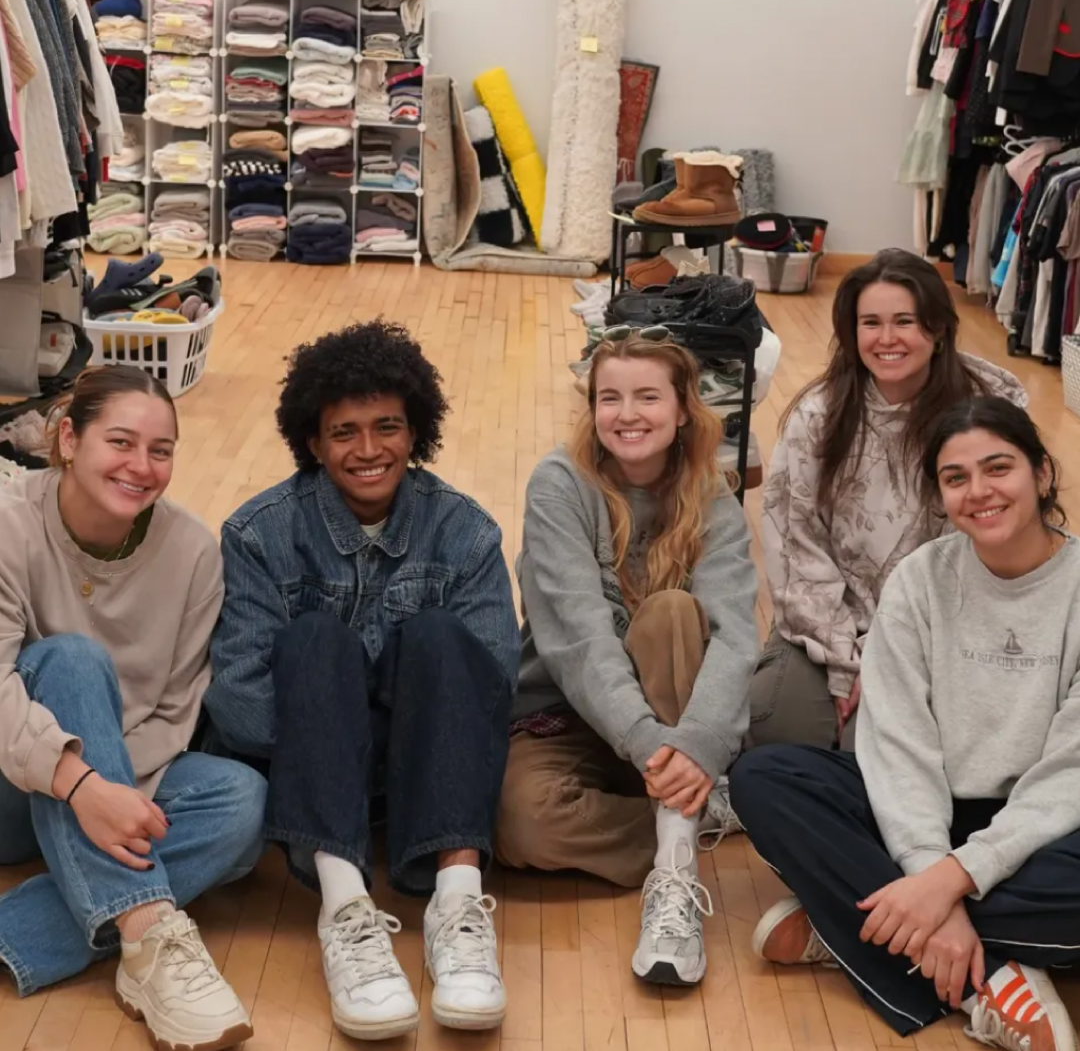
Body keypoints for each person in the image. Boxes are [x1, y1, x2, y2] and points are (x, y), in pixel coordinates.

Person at [203, 321, 519, 1042]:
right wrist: (336, 736)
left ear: (416, 432)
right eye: (344, 432)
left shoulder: (467, 532)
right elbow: (240, 700)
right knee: (316, 639)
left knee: (442, 637)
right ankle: (344, 910)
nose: (368, 449)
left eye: (387, 427)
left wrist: (386, 741)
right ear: (313, 443)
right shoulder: (257, 533)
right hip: (320, 768)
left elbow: (492, 686)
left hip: (421, 760)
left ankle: (458, 903)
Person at [731, 398, 1080, 1051]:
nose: (979, 491)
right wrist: (929, 868)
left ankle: (860, 920)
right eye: (955, 478)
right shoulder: (920, 580)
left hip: (1045, 829)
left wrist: (948, 882)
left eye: (998, 468)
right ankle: (975, 965)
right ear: (941, 494)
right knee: (766, 777)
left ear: (1040, 472)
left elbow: (1071, 776)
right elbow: (896, 743)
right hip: (926, 812)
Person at [0, 366, 264, 1051]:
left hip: (119, 780)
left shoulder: (194, 553)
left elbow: (176, 712)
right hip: (12, 781)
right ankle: (148, 936)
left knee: (241, 802)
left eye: (160, 450)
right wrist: (82, 787)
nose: (141, 466)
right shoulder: (8, 523)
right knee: (72, 661)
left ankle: (26, 922)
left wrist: (110, 796)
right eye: (120, 442)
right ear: (68, 439)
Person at [496, 328, 758, 987]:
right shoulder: (561, 484)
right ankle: (691, 805)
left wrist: (697, 742)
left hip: (673, 714)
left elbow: (735, 636)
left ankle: (674, 869)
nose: (627, 413)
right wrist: (660, 751)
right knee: (520, 826)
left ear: (683, 408)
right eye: (609, 397)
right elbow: (578, 639)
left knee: (671, 612)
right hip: (569, 711)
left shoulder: (712, 494)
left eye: (647, 396)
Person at [751, 248, 1025, 750]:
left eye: (905, 321)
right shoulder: (817, 416)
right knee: (781, 731)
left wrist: (885, 656)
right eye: (870, 323)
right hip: (827, 620)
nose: (886, 339)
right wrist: (842, 658)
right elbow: (796, 544)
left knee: (880, 746)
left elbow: (984, 555)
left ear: (938, 329)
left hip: (942, 626)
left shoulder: (986, 417)